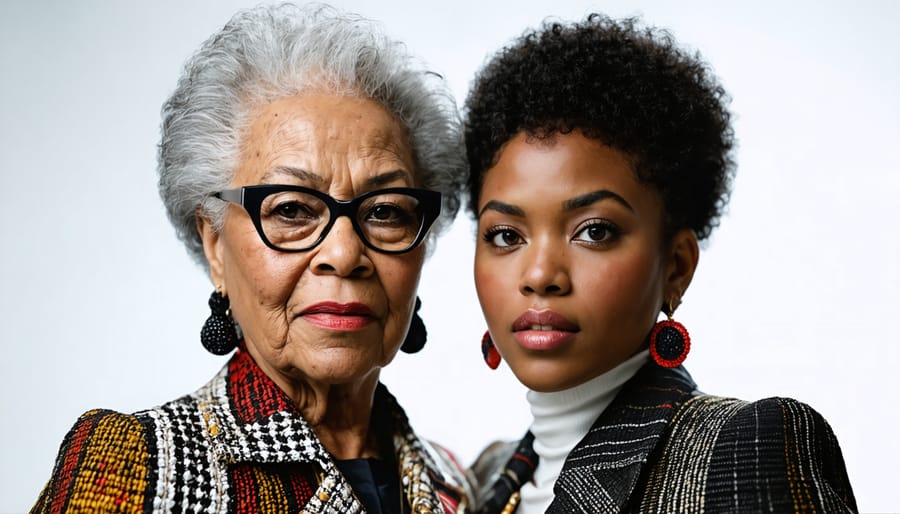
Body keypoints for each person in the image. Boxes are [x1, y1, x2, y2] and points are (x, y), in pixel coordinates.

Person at [32, 4, 472, 513]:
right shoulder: (135, 468)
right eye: (290, 209)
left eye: (386, 212)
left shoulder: (460, 485)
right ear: (215, 245)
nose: (345, 253)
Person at [463, 15, 857, 513]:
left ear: (676, 266)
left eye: (594, 231)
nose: (540, 274)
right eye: (505, 235)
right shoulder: (483, 478)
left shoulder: (745, 450)